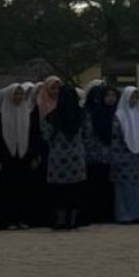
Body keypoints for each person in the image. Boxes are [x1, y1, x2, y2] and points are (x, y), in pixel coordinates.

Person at [42, 83, 88, 230]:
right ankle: (73, 221)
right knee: (76, 190)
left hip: (58, 160)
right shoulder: (82, 115)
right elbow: (87, 134)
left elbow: (46, 136)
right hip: (76, 159)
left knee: (59, 191)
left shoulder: (51, 117)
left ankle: (60, 220)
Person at [0, 83, 41, 230]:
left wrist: (33, 155)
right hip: (8, 158)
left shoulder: (28, 112)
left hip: (24, 157)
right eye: (15, 94)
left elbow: (34, 135)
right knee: (8, 190)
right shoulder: (1, 114)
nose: (18, 97)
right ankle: (9, 219)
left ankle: (23, 218)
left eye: (21, 94)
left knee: (24, 190)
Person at [111, 86, 139, 225]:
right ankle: (125, 215)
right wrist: (117, 157)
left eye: (136, 97)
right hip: (124, 157)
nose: (134, 100)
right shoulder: (119, 116)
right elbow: (115, 138)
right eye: (132, 97)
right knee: (125, 188)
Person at [82, 81, 118, 225]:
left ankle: (108, 214)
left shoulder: (115, 113)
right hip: (93, 157)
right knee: (95, 187)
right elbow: (87, 135)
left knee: (108, 187)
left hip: (110, 157)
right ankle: (95, 214)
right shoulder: (90, 114)